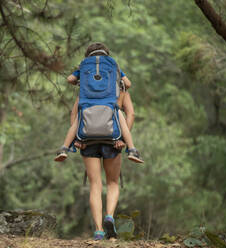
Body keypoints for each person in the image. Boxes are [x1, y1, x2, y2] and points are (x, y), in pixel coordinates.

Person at [56, 42, 143, 240]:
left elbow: (74, 114)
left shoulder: (86, 91)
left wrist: (78, 139)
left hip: (87, 139)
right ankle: (109, 217)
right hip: (114, 139)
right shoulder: (120, 90)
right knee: (112, 182)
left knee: (95, 184)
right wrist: (122, 137)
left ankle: (98, 230)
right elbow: (131, 114)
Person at [54, 43, 143, 164]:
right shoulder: (112, 65)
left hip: (88, 104)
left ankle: (64, 148)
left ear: (88, 55)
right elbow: (128, 84)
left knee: (76, 122)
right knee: (121, 120)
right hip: (109, 104)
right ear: (107, 54)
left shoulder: (84, 66)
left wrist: (80, 82)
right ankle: (132, 149)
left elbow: (70, 79)